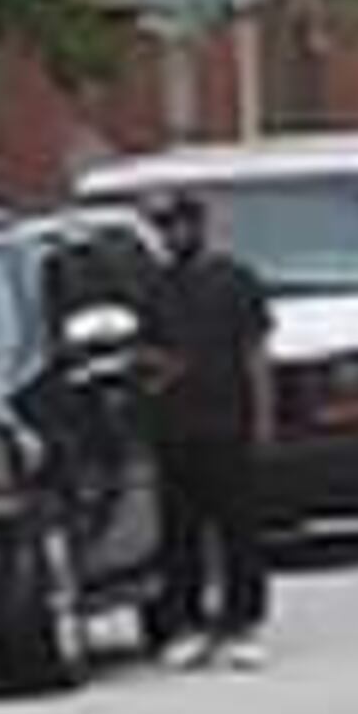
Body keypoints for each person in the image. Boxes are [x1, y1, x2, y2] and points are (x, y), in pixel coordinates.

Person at [148, 193, 274, 665]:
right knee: (180, 534)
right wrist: (157, 370)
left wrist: (263, 417)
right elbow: (141, 353)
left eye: (181, 224)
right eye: (166, 227)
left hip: (229, 423)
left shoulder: (236, 281)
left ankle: (242, 624)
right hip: (174, 428)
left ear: (200, 227)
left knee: (238, 529)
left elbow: (256, 353)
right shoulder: (154, 287)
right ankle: (187, 624)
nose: (174, 234)